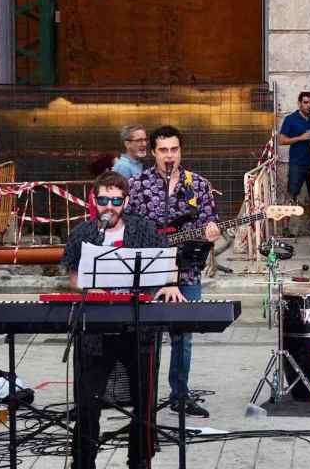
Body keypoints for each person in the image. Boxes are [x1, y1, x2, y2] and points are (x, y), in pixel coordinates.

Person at [62, 171, 185, 469]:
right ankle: (83, 460)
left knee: (144, 401)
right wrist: (91, 287)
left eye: (116, 200)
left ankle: (140, 460)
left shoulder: (142, 229)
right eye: (104, 199)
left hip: (137, 326)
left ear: (126, 201)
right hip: (94, 329)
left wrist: (170, 283)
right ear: (94, 200)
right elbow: (73, 276)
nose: (110, 206)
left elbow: (168, 260)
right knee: (87, 402)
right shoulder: (84, 233)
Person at [125, 126, 219, 418]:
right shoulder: (138, 185)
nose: (170, 156)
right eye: (163, 150)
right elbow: (131, 230)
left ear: (181, 151)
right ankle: (144, 395)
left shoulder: (197, 185)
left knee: (184, 335)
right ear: (153, 152)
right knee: (145, 335)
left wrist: (211, 233)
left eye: (174, 150)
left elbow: (208, 223)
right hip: (150, 273)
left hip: (188, 272)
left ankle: (180, 394)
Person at [279, 92, 310, 221]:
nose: (308, 105)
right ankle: (286, 229)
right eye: (305, 102)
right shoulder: (290, 119)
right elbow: (281, 140)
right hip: (296, 163)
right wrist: (301, 137)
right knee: (291, 194)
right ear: (299, 103)